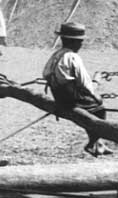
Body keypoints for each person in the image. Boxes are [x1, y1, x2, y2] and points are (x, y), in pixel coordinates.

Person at [42, 22, 111, 156]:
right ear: (74, 42)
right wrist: (96, 84)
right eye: (80, 42)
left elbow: (45, 74)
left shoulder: (56, 55)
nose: (81, 45)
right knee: (99, 108)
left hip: (58, 95)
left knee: (91, 108)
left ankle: (98, 143)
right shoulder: (73, 57)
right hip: (71, 98)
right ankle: (93, 143)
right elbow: (85, 84)